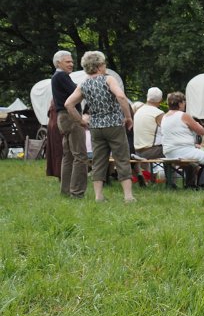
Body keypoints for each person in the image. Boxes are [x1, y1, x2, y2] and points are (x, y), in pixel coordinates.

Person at [64, 51, 135, 203]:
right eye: (104, 64)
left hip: (95, 127)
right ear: (99, 66)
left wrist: (81, 121)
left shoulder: (83, 84)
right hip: (114, 124)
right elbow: (121, 96)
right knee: (121, 158)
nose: (105, 66)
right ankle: (128, 196)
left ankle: (98, 196)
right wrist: (128, 117)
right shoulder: (108, 79)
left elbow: (68, 104)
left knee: (98, 161)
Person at [160, 91, 204, 191]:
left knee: (193, 163)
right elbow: (202, 132)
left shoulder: (164, 117)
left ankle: (191, 184)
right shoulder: (183, 115)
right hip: (183, 151)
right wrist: (197, 124)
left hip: (168, 152)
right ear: (180, 103)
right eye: (184, 103)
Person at [51, 50, 88, 198]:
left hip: (62, 117)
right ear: (58, 63)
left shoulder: (57, 77)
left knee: (69, 156)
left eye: (72, 61)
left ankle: (65, 191)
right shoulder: (61, 76)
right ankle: (77, 192)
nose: (71, 64)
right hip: (70, 117)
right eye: (68, 61)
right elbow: (77, 92)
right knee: (80, 156)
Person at [133, 87, 165, 159]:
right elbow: (168, 131)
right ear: (161, 100)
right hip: (152, 151)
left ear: (147, 97)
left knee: (144, 169)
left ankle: (147, 171)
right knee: (176, 149)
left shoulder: (138, 111)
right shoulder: (158, 113)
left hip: (137, 151)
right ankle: (172, 170)